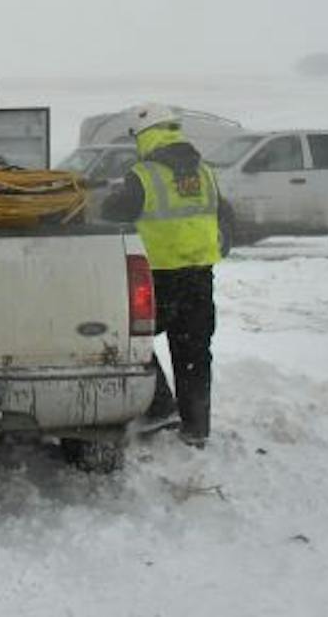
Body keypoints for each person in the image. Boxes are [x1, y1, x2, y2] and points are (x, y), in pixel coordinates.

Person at [100, 101, 222, 446]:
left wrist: (110, 199)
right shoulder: (206, 171)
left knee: (133, 340)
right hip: (200, 274)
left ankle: (160, 408)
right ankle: (196, 429)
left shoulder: (143, 174)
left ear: (144, 135)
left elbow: (115, 211)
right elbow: (220, 213)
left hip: (160, 276)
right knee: (195, 352)